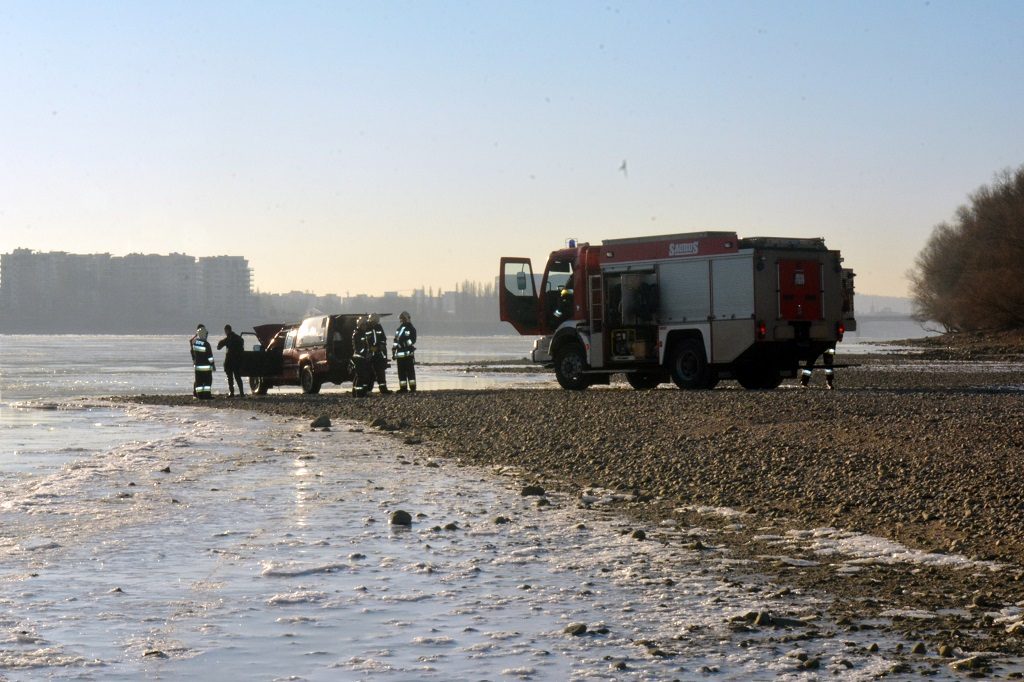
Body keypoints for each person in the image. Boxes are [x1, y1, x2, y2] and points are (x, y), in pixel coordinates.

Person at [217, 324, 245, 397]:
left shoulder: (228, 338)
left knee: (230, 377)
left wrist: (221, 342)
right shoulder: (238, 338)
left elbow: (219, 347)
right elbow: (242, 344)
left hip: (230, 361)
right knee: (238, 377)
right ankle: (241, 393)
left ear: (226, 330)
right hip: (237, 361)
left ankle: (232, 392)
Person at [366, 313, 391, 394]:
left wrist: (381, 346)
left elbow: (383, 338)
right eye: (375, 321)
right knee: (370, 373)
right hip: (370, 355)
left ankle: (383, 390)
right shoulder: (366, 327)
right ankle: (368, 389)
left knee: (380, 373)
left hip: (379, 354)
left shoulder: (378, 327)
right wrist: (370, 348)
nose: (376, 322)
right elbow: (364, 341)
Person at [392, 311, 417, 392]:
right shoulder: (398, 329)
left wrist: (404, 344)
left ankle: (412, 388)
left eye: (403, 319)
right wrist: (394, 349)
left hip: (408, 354)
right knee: (401, 373)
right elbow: (395, 340)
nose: (402, 320)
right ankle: (403, 388)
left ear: (407, 318)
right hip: (399, 355)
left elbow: (413, 340)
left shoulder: (411, 328)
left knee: (410, 372)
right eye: (401, 319)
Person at [190, 324, 215, 399]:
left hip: (198, 366)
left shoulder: (195, 342)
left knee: (198, 382)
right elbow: (210, 356)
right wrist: (213, 365)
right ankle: (207, 395)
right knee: (207, 381)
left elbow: (192, 351)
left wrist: (194, 360)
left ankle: (199, 395)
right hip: (206, 367)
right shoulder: (206, 344)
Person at [351, 316, 372, 397]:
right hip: (359, 357)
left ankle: (357, 392)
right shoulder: (357, 334)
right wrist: (366, 353)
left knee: (359, 375)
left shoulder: (361, 333)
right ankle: (359, 393)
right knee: (361, 376)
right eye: (364, 325)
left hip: (361, 357)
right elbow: (359, 347)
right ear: (360, 325)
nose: (365, 326)